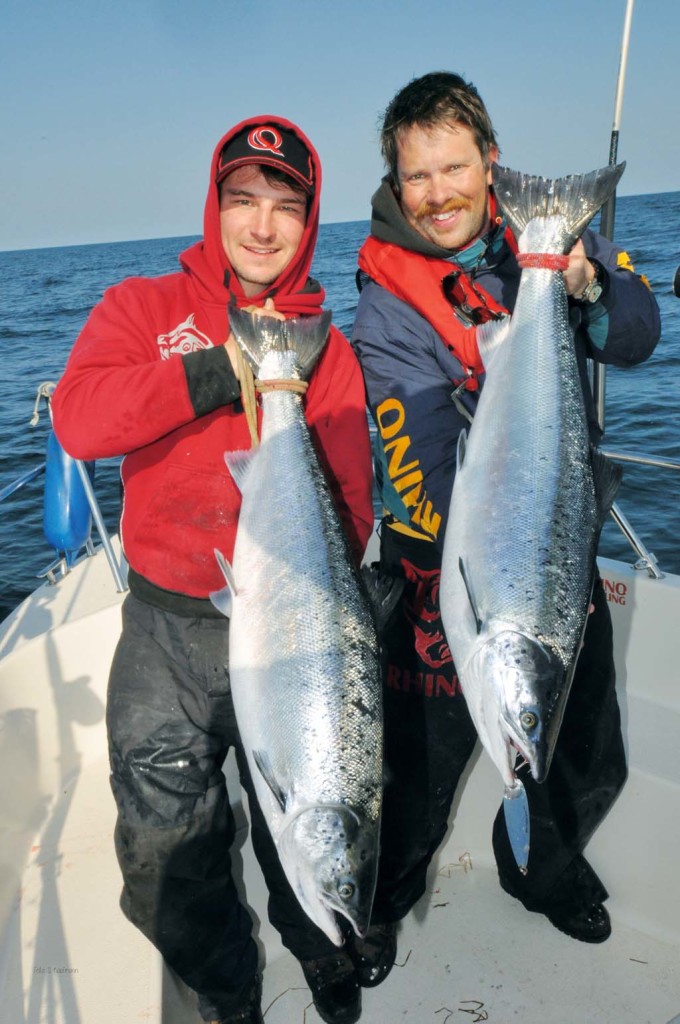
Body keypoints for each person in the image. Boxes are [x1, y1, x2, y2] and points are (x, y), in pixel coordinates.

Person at [52, 117, 375, 1024]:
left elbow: (351, 504)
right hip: (165, 629)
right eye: (244, 200)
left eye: (285, 205)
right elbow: (80, 421)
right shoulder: (143, 309)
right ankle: (230, 990)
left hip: (293, 632)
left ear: (310, 222)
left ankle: (325, 950)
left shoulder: (330, 352)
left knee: (306, 811)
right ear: (215, 204)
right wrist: (217, 369)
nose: (263, 226)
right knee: (165, 845)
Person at [349, 71, 661, 984]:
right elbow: (425, 476)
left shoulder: (550, 235)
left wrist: (585, 284)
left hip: (555, 553)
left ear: (491, 162)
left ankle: (539, 869)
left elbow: (637, 332)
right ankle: (376, 895)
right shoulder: (385, 310)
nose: (440, 192)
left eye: (455, 166)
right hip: (450, 567)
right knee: (423, 764)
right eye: (418, 176)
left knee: (587, 744)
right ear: (395, 184)